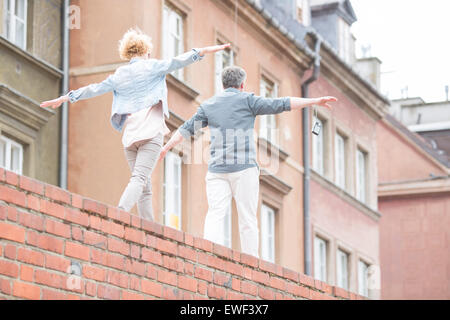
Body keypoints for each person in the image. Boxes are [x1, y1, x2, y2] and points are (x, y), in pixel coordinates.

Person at [40, 28, 230, 221]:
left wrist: (66, 97)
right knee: (139, 179)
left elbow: (94, 89)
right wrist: (204, 50)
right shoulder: (153, 66)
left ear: (128, 53)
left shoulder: (119, 74)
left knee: (144, 186)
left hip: (130, 137)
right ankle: (119, 213)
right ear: (146, 51)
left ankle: (150, 231)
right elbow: (180, 60)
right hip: (151, 133)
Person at [159, 66, 337, 258]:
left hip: (217, 170)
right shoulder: (248, 101)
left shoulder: (208, 106)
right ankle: (251, 262)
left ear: (223, 84)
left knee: (215, 213)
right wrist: (314, 101)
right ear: (242, 84)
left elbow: (185, 130)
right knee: (247, 218)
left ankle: (207, 253)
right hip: (244, 170)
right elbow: (282, 103)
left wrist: (165, 147)